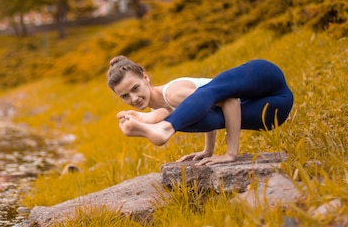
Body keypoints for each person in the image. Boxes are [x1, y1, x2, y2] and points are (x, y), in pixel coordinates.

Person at [107, 56, 294, 165]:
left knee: (207, 97)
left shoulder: (172, 93)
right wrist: (208, 151)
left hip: (264, 77)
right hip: (269, 111)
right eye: (125, 97)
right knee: (202, 118)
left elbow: (230, 101)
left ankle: (163, 127)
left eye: (135, 88)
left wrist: (231, 154)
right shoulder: (166, 106)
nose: (133, 99)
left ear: (145, 78)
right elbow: (210, 113)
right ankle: (157, 123)